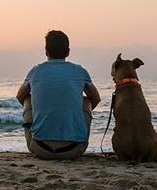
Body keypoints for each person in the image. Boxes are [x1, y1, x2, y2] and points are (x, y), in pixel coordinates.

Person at [16, 30, 100, 159]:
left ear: (46, 51)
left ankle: (40, 130)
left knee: (28, 98)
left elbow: (20, 96)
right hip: (74, 150)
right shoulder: (79, 71)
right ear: (68, 51)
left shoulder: (36, 71)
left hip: (40, 148)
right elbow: (95, 99)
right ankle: (75, 131)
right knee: (86, 101)